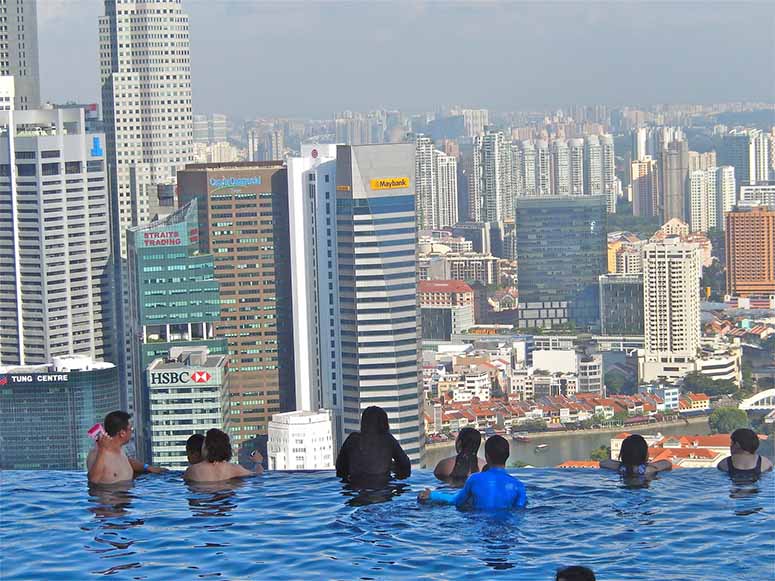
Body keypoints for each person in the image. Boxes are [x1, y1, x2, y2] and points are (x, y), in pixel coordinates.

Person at [418, 435, 527, 510]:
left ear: (487, 456)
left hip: (479, 524)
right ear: (507, 456)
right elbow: (519, 511)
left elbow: (457, 500)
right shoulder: (518, 486)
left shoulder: (474, 479)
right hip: (507, 527)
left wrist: (433, 495)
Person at [335, 406, 411, 484]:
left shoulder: (352, 439)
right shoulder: (388, 440)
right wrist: (391, 467)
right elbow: (405, 465)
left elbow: (340, 467)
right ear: (384, 423)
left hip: (356, 486)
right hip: (382, 487)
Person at [87, 411, 166, 484]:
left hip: (128, 494)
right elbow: (93, 480)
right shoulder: (96, 453)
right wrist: (102, 450)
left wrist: (147, 467)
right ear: (122, 433)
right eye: (131, 429)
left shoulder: (119, 450)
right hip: (111, 496)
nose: (132, 431)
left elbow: (127, 462)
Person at [183, 428, 263, 482]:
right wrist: (258, 462)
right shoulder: (236, 469)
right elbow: (258, 474)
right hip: (227, 499)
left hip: (206, 500)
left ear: (207, 448)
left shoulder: (193, 470)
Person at [600, 434, 671, 477]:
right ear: (645, 454)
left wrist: (623, 464)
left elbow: (603, 463)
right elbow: (667, 463)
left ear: (623, 454)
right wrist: (650, 465)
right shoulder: (648, 470)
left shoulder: (622, 468)